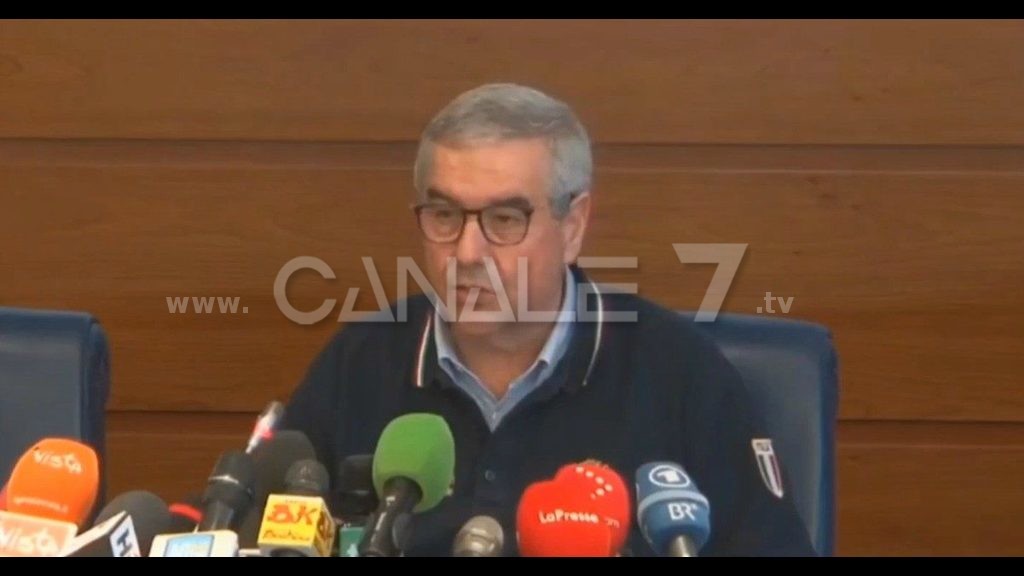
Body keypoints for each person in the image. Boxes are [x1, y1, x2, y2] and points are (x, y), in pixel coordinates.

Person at [281, 83, 815, 556]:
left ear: (573, 226)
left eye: (504, 219)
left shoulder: (681, 374)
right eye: (444, 215)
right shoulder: (360, 361)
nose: (467, 253)